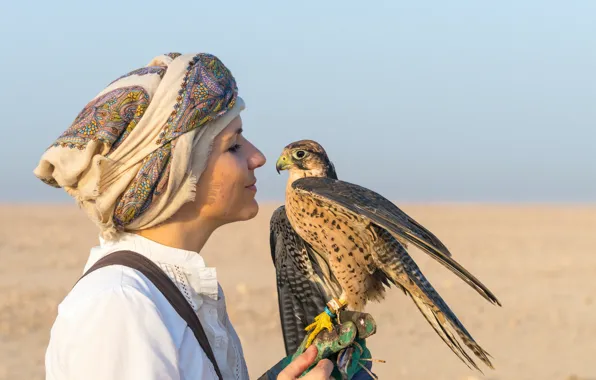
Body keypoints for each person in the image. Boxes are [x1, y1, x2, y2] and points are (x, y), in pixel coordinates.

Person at [34, 52, 340, 380]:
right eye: (233, 146)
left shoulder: (170, 288)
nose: (258, 157)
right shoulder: (121, 307)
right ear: (173, 174)